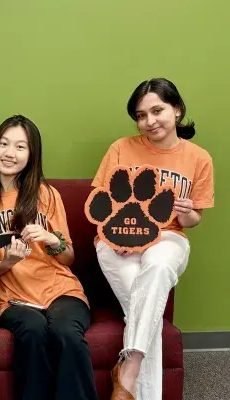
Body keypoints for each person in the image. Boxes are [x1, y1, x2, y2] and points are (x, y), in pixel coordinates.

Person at [92, 78, 214, 400]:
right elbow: (99, 200)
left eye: (157, 110)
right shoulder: (121, 148)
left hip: (167, 238)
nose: (149, 121)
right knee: (148, 308)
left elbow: (194, 219)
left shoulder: (199, 158)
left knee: (158, 269)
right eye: (141, 115)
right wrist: (114, 229)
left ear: (176, 108)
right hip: (118, 239)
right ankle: (131, 383)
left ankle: (128, 370)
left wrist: (187, 212)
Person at [0, 115, 98, 400]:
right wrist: (7, 263)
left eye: (20, 147)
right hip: (13, 299)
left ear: (31, 155)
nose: (9, 153)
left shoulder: (46, 194)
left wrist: (52, 239)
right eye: (4, 144)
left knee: (66, 334)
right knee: (32, 330)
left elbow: (68, 258)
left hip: (61, 292)